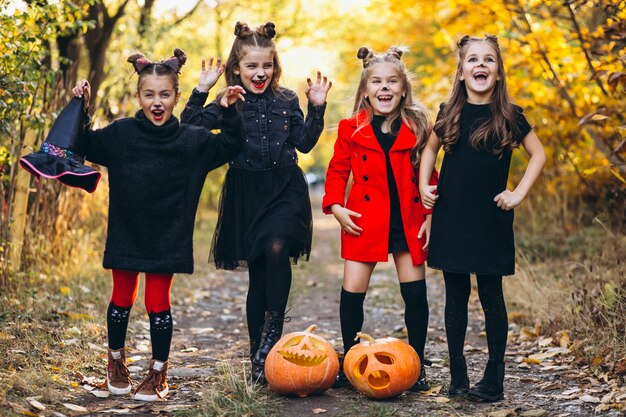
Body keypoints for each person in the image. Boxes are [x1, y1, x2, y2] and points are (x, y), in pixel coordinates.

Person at [71, 48, 246, 401]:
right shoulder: (120, 135)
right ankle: (116, 365)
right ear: (139, 96)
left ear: (176, 97)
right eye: (149, 94)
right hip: (127, 229)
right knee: (121, 298)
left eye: (164, 94)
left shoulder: (192, 140)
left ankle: (157, 373)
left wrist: (228, 110)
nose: (157, 101)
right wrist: (81, 108)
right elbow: (85, 143)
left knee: (157, 303)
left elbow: (230, 145)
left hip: (168, 234)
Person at [181, 22, 332, 384]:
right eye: (251, 66)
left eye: (266, 66)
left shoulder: (286, 100)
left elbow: (305, 142)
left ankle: (273, 334)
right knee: (258, 276)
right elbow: (189, 129)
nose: (259, 73)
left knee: (278, 247)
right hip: (247, 192)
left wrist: (317, 108)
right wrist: (203, 90)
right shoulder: (228, 100)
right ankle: (258, 356)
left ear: (274, 67)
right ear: (236, 68)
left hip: (285, 188)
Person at [419, 35, 546, 402]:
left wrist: (517, 193)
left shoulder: (510, 116)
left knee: (491, 294)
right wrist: (424, 186)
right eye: (472, 60)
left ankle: (493, 379)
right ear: (461, 72)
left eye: (488, 60)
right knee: (455, 294)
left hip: (491, 218)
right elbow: (430, 150)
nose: (480, 66)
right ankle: (458, 374)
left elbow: (538, 156)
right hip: (452, 217)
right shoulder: (449, 112)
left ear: (498, 72)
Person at [322, 46, 437, 391]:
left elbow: (429, 172)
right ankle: (350, 361)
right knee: (352, 292)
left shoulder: (419, 126)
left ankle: (415, 364)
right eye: (377, 82)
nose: (384, 88)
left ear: (403, 88)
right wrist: (336, 206)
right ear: (366, 89)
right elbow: (337, 171)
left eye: (391, 82)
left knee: (415, 294)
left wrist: (431, 214)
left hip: (408, 216)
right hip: (364, 218)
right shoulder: (350, 128)